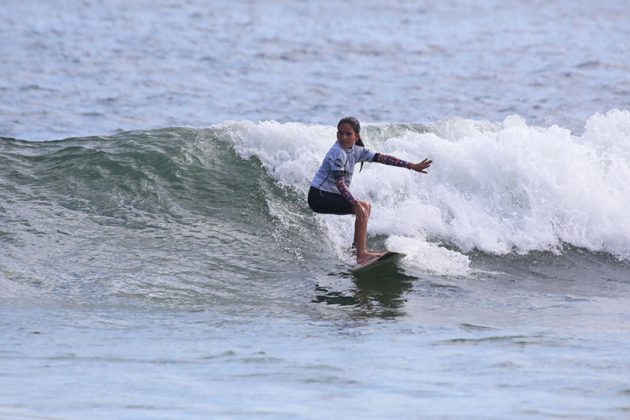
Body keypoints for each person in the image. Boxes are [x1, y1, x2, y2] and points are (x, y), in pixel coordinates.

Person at [308, 116, 432, 265]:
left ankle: (357, 251)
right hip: (318, 196)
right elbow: (340, 184)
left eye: (348, 134)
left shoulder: (356, 151)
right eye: (340, 133)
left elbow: (382, 158)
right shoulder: (337, 153)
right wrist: (355, 203)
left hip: (328, 195)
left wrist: (411, 165)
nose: (343, 137)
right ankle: (361, 254)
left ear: (356, 136)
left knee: (366, 206)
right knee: (362, 207)